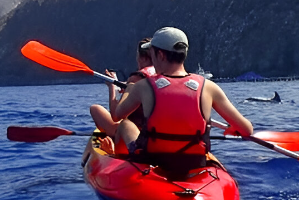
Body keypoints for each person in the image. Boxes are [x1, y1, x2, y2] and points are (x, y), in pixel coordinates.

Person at [90, 27, 253, 162]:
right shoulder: (209, 87)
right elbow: (247, 130)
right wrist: (232, 129)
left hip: (153, 159)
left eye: (152, 53)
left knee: (126, 124)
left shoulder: (143, 87)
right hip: (194, 162)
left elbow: (117, 115)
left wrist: (129, 89)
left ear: (160, 55)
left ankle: (118, 155)